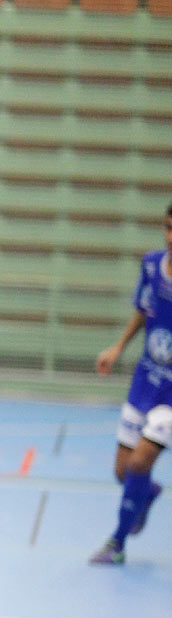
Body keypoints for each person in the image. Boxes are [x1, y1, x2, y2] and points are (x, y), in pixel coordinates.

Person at [88, 201, 172, 565]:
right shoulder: (152, 265)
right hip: (145, 378)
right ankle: (146, 495)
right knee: (122, 472)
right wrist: (118, 347)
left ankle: (117, 543)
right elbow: (142, 310)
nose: (171, 237)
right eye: (168, 228)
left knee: (139, 464)